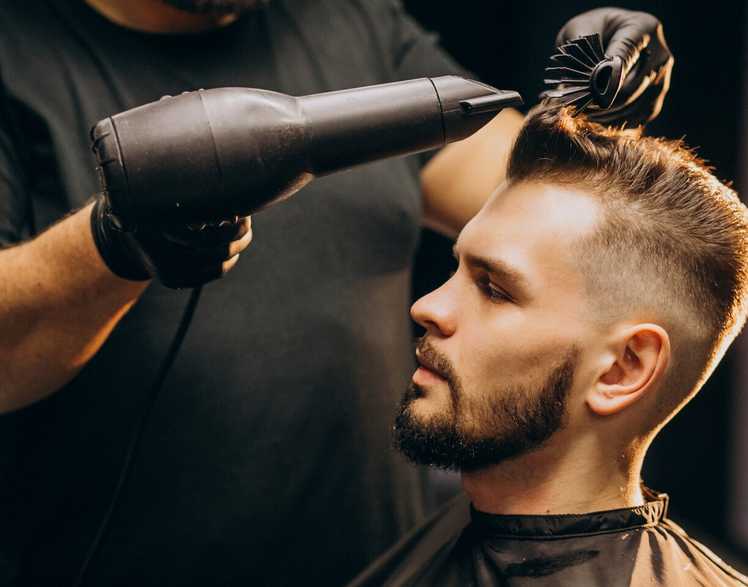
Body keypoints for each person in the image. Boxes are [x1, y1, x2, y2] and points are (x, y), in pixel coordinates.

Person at [0, 1, 671, 585]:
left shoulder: (348, 17)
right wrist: (110, 242)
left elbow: (531, 195)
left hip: (382, 567)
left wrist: (589, 118)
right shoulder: (16, 53)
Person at [347, 101, 748, 586]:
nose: (427, 306)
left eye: (495, 290)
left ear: (622, 369)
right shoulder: (446, 535)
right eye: (455, 268)